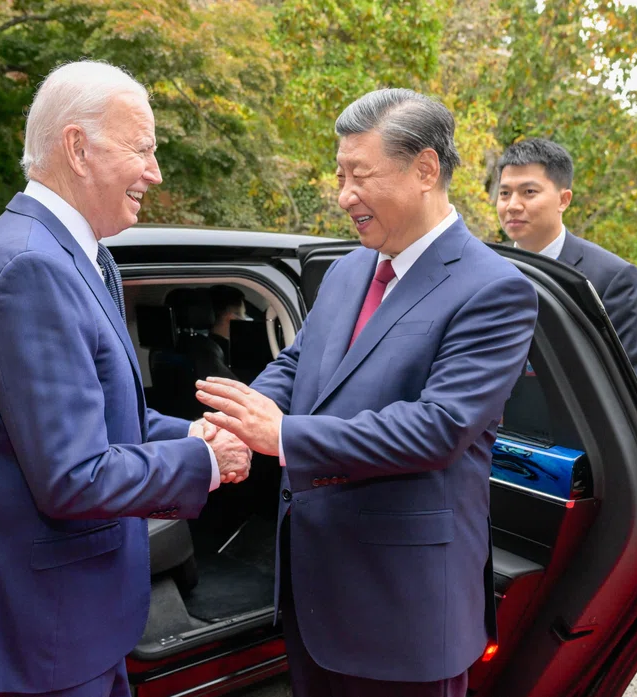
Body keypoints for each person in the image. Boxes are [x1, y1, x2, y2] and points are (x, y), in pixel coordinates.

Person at [196, 89, 539, 697]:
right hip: (314, 593)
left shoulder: (494, 289)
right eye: (339, 175)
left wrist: (282, 436)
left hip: (403, 609)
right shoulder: (353, 266)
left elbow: (439, 427)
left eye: (360, 176)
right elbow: (303, 361)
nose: (343, 195)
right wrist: (236, 417)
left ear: (425, 169)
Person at [0, 61, 251, 697]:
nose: (155, 173)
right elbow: (72, 478)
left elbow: (101, 410)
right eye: (143, 150)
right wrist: (205, 462)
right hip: (43, 629)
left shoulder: (80, 253)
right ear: (78, 147)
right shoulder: (32, 268)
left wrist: (195, 427)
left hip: (71, 619)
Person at [496, 138, 637, 409]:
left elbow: (636, 391)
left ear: (564, 199)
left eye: (529, 192)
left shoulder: (612, 278)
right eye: (504, 193)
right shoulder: (487, 266)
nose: (512, 205)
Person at [208, 284, 249, 361]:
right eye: (243, 314)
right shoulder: (232, 353)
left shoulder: (205, 346)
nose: (244, 319)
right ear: (231, 318)